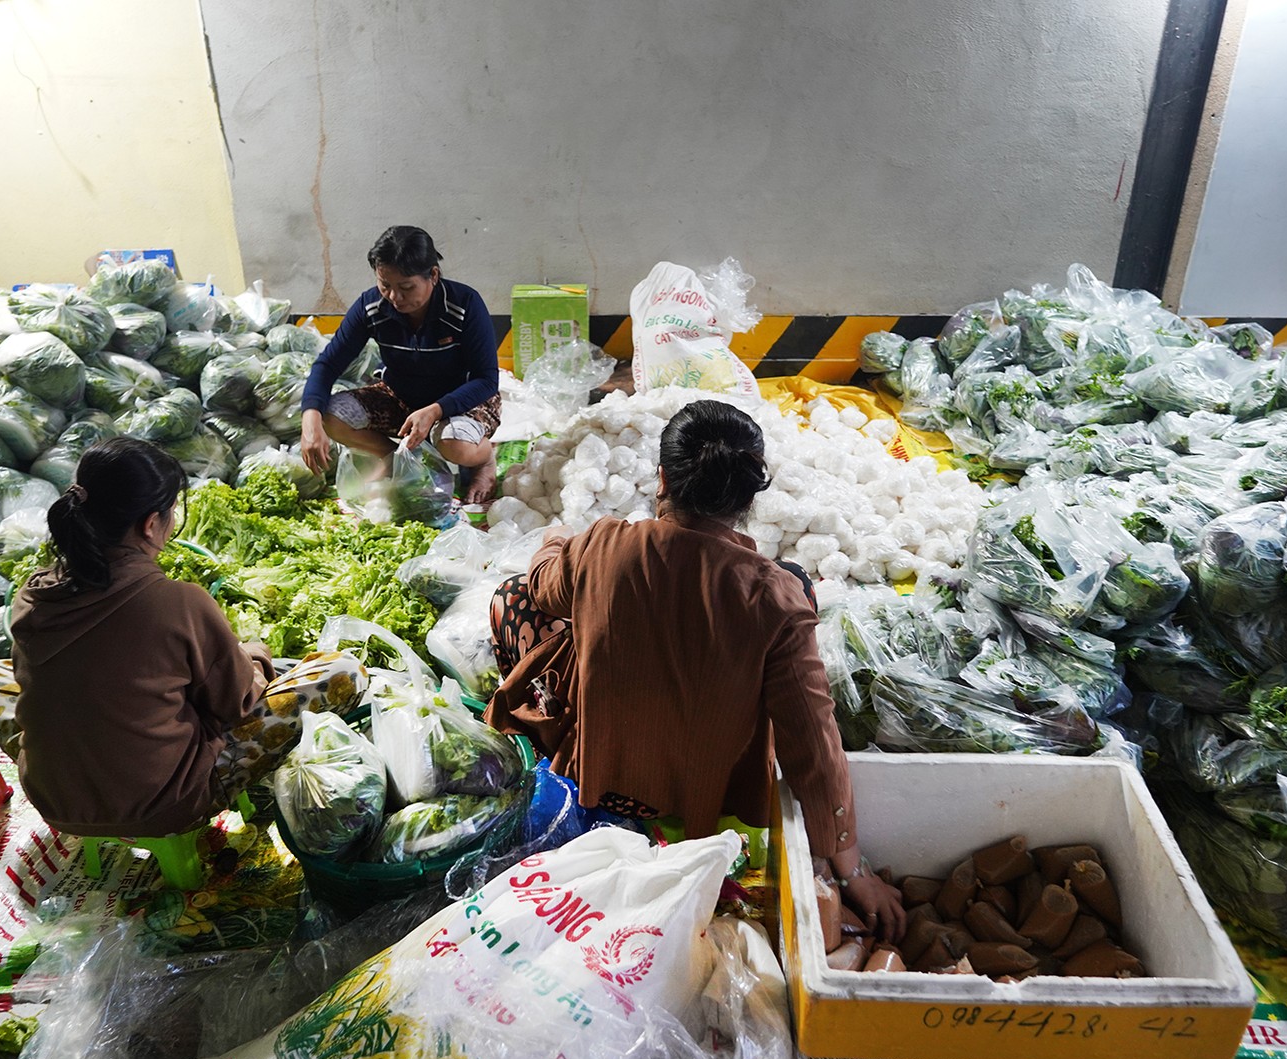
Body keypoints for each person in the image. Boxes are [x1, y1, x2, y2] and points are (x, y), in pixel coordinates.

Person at [484, 399, 904, 938]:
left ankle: (545, 741)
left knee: (512, 596)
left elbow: (541, 586)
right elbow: (813, 739)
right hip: (704, 798)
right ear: (749, 495)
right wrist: (851, 866)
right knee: (793, 590)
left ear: (662, 478)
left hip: (602, 774)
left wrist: (556, 541)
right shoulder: (775, 594)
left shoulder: (604, 546)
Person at [0, 438, 364, 838]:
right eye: (171, 513)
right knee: (343, 671)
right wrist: (253, 657)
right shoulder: (179, 603)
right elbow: (235, 704)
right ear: (151, 524)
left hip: (56, 801)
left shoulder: (34, 595)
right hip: (165, 805)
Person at [299, 225, 502, 502]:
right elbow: (327, 365)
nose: (395, 297)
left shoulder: (464, 305)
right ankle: (397, 462)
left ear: (433, 275)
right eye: (385, 285)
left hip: (463, 399)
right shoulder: (371, 308)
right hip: (401, 397)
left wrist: (434, 411)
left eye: (406, 287)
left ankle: (485, 458)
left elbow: (487, 379)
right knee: (331, 416)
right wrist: (310, 420)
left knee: (455, 445)